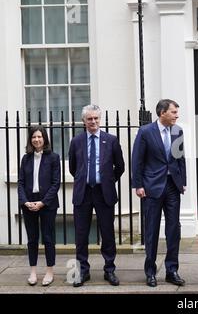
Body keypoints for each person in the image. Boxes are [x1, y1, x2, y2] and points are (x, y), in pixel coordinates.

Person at [132, 99, 187, 287]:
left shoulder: (178, 131)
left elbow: (181, 158)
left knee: (174, 230)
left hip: (173, 186)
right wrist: (138, 185)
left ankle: (172, 270)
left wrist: (183, 181)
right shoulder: (145, 132)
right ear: (162, 112)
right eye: (173, 112)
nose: (176, 115)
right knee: (152, 231)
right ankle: (150, 271)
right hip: (151, 187)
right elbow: (137, 160)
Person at [68, 104, 125, 287]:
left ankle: (109, 269)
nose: (93, 121)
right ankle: (83, 271)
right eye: (89, 119)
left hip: (104, 193)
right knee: (81, 235)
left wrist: (107, 180)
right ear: (84, 121)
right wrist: (85, 178)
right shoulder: (76, 141)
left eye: (96, 118)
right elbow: (73, 168)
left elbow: (120, 166)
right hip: (83, 193)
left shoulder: (111, 140)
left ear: (100, 120)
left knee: (107, 233)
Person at [18, 126, 61, 286]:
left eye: (40, 137)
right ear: (30, 140)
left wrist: (43, 202)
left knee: (48, 238)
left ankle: (49, 271)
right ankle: (33, 272)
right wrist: (25, 201)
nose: (37, 139)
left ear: (45, 139)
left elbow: (56, 183)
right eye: (34, 137)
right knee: (32, 239)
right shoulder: (26, 158)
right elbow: (21, 182)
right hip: (28, 203)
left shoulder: (54, 158)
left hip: (47, 203)